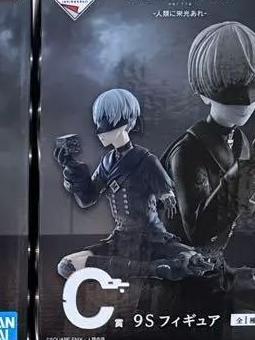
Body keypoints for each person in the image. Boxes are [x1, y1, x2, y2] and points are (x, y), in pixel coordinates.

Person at [54, 88, 210, 282]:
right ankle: (154, 269)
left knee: (192, 259)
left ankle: (158, 267)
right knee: (66, 265)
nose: (99, 132)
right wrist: (73, 169)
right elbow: (87, 199)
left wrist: (167, 196)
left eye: (106, 123)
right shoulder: (107, 162)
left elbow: (168, 196)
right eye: (98, 123)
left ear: (125, 122)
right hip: (121, 238)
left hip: (150, 237)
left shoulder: (145, 159)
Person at [162, 21, 255, 281]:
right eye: (230, 89)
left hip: (214, 269)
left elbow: (238, 218)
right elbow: (197, 233)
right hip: (179, 274)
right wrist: (245, 172)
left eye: (254, 84)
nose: (245, 102)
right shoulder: (187, 151)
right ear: (204, 93)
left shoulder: (241, 142)